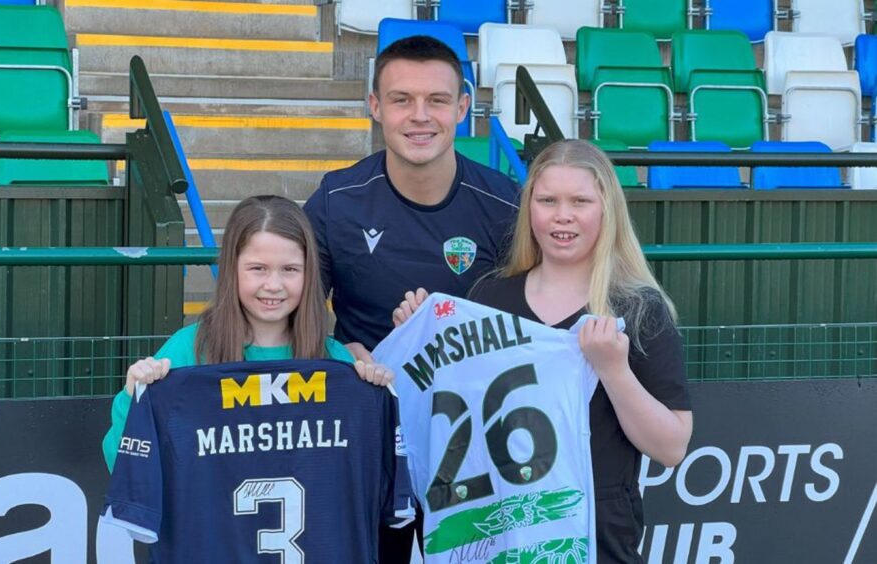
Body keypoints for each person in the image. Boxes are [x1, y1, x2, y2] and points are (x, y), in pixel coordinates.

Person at [393, 140, 694, 563]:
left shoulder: (637, 308)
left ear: (607, 210)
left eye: (580, 201)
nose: (562, 215)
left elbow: (672, 447)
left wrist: (614, 370)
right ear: (529, 207)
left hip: (596, 538)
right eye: (548, 200)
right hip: (497, 534)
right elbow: (447, 408)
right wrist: (418, 336)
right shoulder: (490, 296)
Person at [303, 34, 520, 562]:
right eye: (401, 100)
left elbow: (532, 320)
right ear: (376, 107)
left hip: (475, 433)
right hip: (371, 430)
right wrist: (340, 355)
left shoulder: (505, 204)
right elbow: (297, 311)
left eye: (437, 100)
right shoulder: (336, 199)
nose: (419, 116)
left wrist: (446, 330)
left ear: (464, 107)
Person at [102, 195, 391, 473]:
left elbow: (371, 471)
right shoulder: (187, 350)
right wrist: (133, 397)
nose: (274, 284)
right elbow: (123, 465)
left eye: (290, 269)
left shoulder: (336, 361)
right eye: (258, 269)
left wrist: (378, 396)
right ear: (232, 270)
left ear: (309, 273)